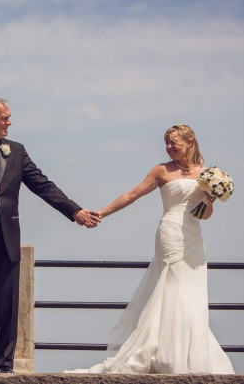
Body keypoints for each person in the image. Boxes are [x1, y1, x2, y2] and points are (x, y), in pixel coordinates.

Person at [0, 96, 101, 374]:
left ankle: (5, 367)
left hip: (7, 239)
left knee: (8, 306)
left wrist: (75, 211)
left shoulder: (16, 150)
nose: (9, 122)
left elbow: (42, 185)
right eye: (4, 118)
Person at [66, 124, 234, 374]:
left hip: (193, 238)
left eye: (173, 142)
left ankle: (191, 355)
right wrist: (102, 212)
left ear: (189, 142)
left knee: (192, 296)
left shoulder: (205, 174)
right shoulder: (161, 171)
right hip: (170, 234)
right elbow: (132, 194)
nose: (168, 147)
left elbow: (203, 215)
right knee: (172, 290)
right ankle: (163, 354)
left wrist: (209, 201)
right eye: (166, 143)